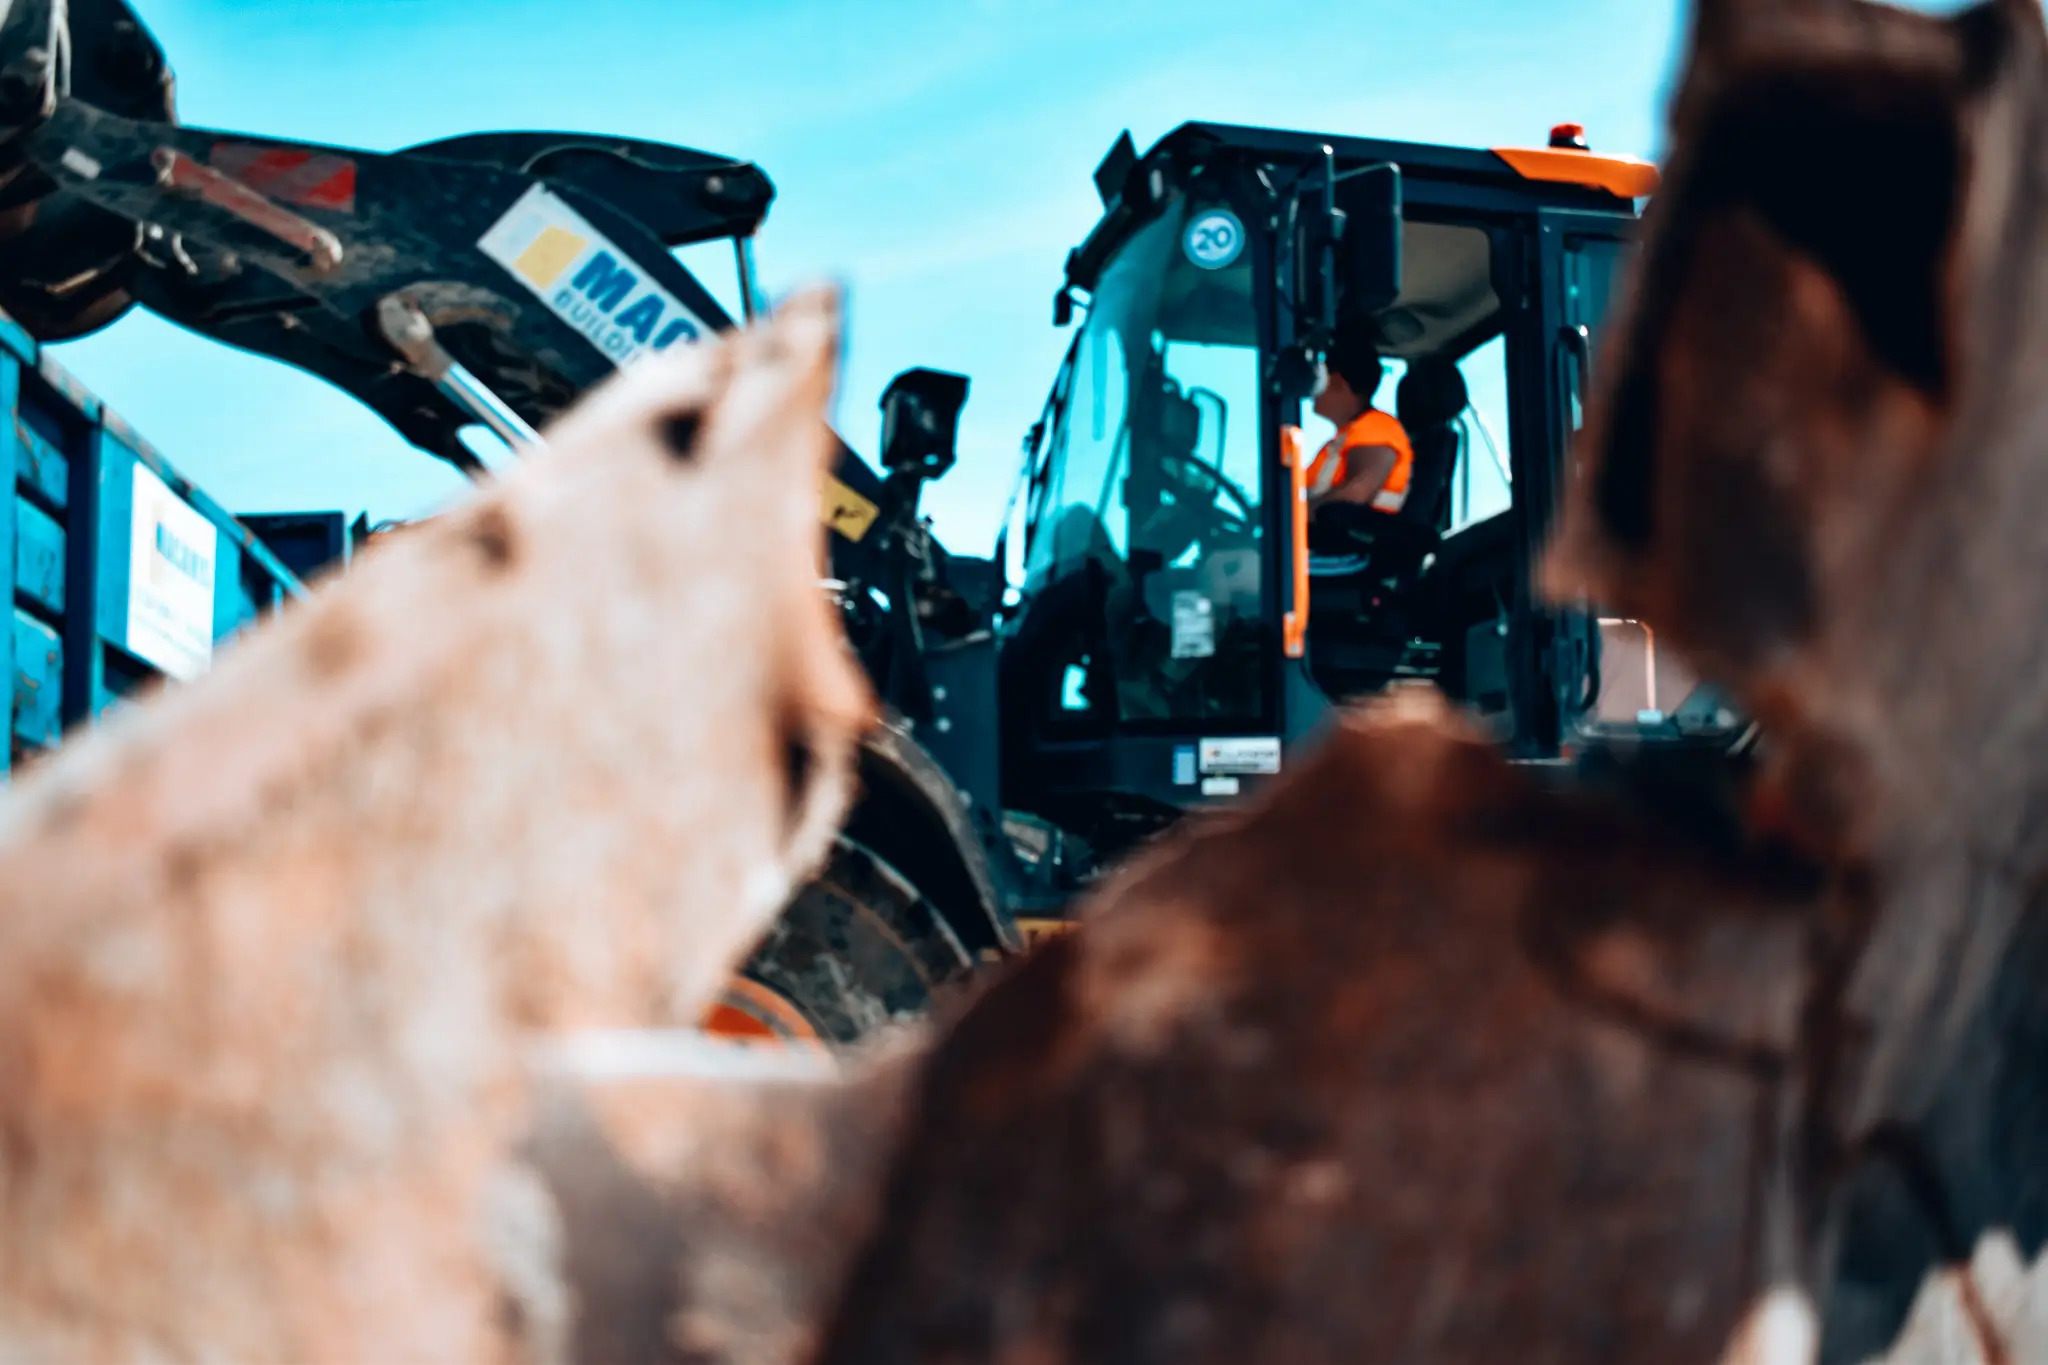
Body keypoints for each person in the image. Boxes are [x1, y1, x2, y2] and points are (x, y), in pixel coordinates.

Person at [1306, 336, 1413, 517]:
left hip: (1353, 543)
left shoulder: (1378, 427)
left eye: (1319, 377)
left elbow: (1355, 493)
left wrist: (1289, 518)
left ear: (1338, 381)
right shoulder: (1344, 437)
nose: (1311, 388)